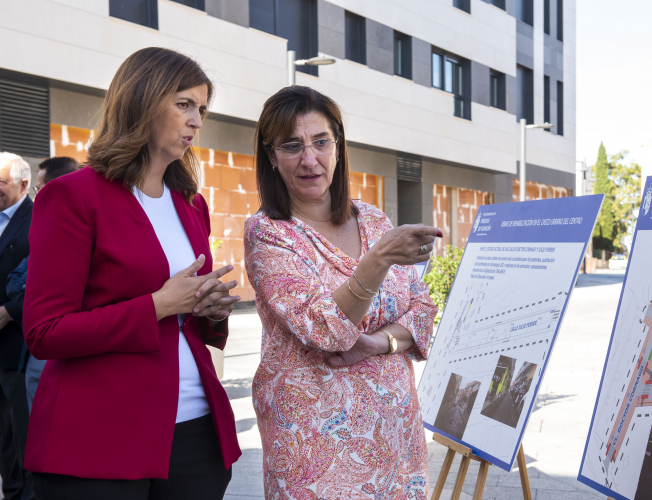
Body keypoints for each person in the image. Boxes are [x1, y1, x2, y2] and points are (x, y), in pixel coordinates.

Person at [23, 47, 241, 499]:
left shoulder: (191, 204)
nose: (197, 121)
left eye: (202, 109)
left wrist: (211, 309)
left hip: (195, 433)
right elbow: (45, 332)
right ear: (142, 101)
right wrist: (158, 305)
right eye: (184, 104)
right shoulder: (72, 196)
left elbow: (189, 321)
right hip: (100, 437)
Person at [244, 86, 440, 499]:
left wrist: (379, 343)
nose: (309, 159)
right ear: (271, 156)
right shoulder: (269, 233)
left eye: (321, 142)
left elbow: (422, 308)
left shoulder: (372, 219)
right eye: (292, 146)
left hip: (396, 440)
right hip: (314, 447)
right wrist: (378, 260)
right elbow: (325, 329)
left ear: (338, 146)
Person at [7, 156, 80, 413]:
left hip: (62, 349)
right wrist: (32, 288)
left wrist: (31, 289)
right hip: (36, 350)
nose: (36, 195)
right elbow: (15, 280)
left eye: (39, 188)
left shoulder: (73, 229)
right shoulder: (47, 223)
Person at [0, 152, 34, 500]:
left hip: (16, 344)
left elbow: (43, 279)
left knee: (17, 433)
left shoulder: (37, 218)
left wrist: (9, 311)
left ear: (24, 185)